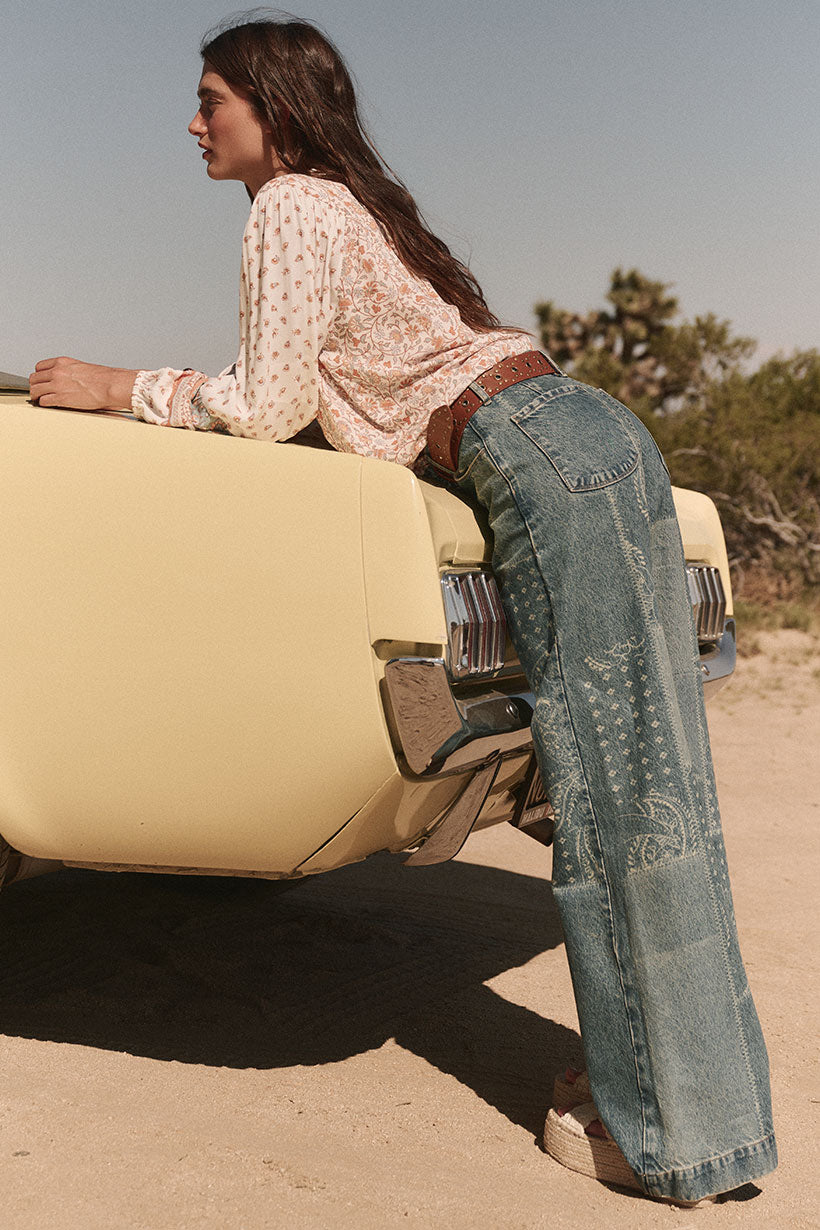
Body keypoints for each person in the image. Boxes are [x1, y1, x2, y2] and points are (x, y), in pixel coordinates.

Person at [29, 16, 776, 1205]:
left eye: (211, 98)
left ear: (268, 107)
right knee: (656, 784)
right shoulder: (353, 205)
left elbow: (268, 406)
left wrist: (124, 387)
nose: (193, 121)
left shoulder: (289, 206)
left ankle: (658, 1135)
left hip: (531, 458)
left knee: (612, 792)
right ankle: (706, 1123)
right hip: (589, 437)